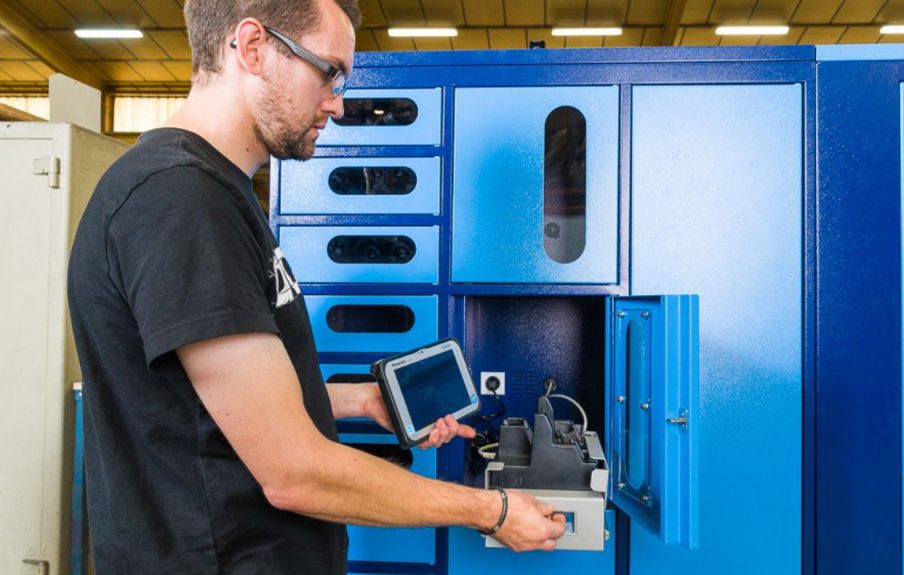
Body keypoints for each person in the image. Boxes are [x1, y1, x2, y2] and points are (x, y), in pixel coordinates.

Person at [66, 0, 566, 572]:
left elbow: (212, 403)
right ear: (252, 47)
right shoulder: (180, 199)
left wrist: (362, 399)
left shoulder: (210, 194)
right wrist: (491, 511)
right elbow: (293, 472)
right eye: (329, 70)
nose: (337, 100)